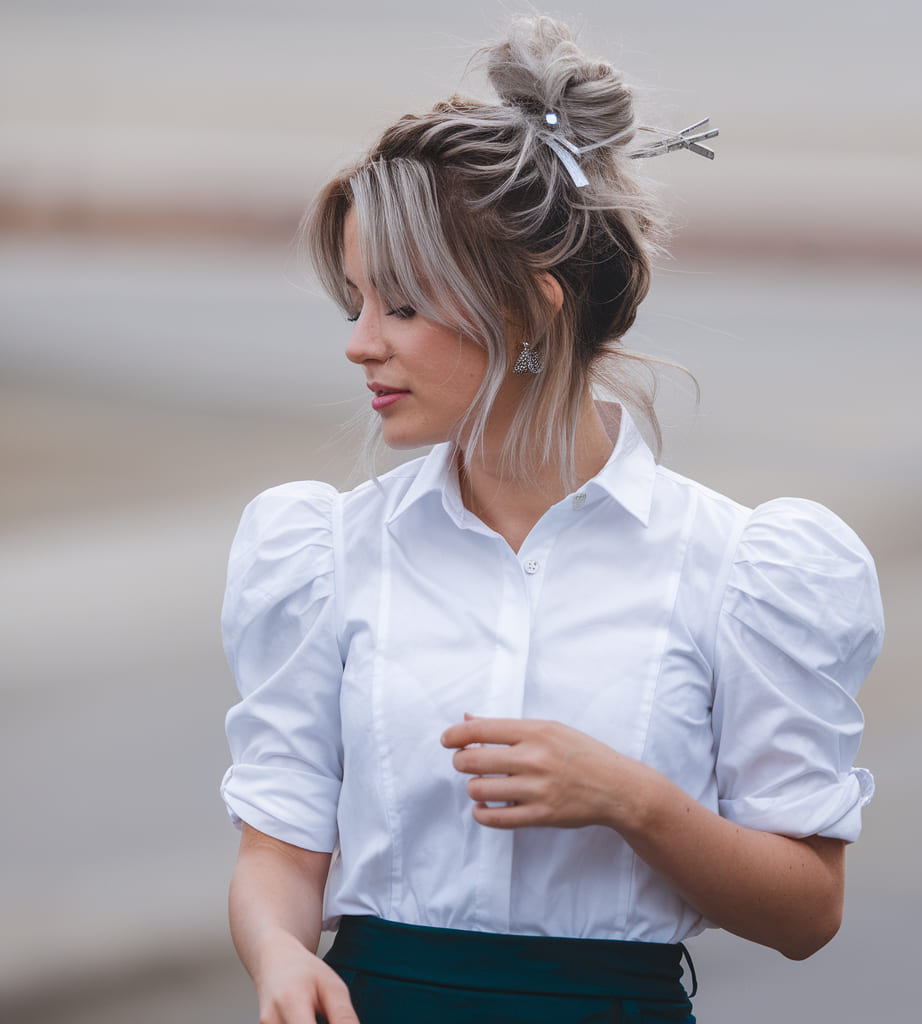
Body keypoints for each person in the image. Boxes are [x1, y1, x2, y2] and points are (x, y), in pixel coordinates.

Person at [220, 16, 883, 1024]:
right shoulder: (323, 553)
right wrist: (278, 955)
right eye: (352, 303)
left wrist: (632, 799)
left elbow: (806, 911)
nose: (360, 345)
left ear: (530, 309)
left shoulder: (740, 566)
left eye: (399, 306)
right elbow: (276, 853)